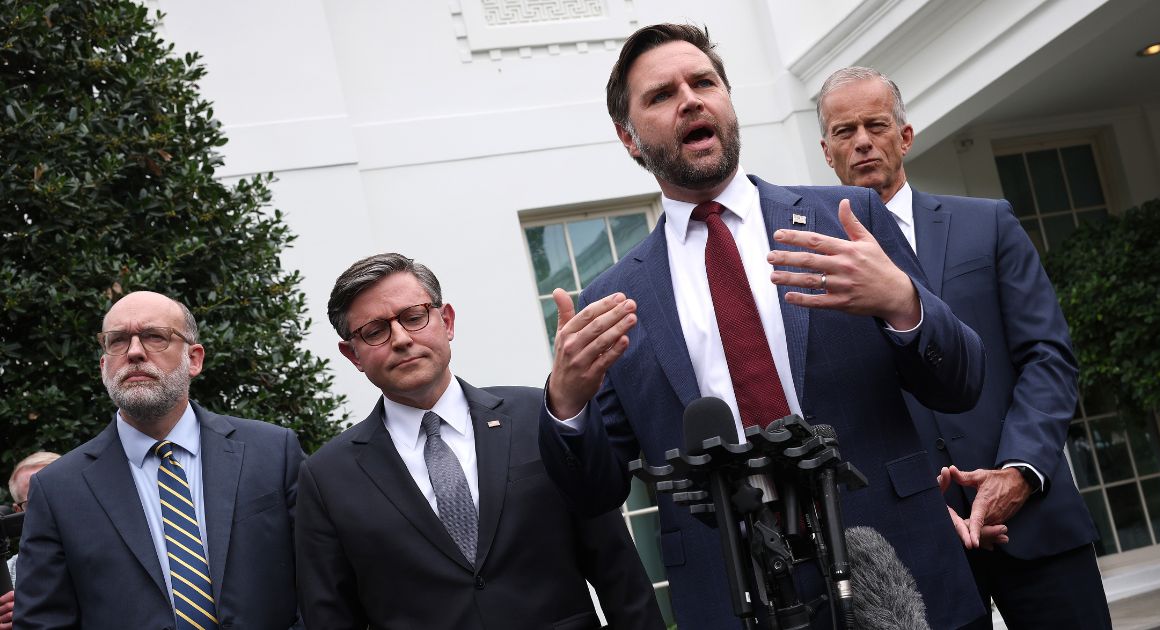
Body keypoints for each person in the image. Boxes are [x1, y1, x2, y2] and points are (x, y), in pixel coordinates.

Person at [538, 23, 988, 630]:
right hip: (730, 593)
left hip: (897, 567)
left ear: (728, 100)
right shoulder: (613, 302)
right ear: (629, 138)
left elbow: (961, 385)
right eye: (662, 95)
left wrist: (904, 304)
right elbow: (594, 492)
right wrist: (566, 406)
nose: (690, 100)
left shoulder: (848, 221)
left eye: (704, 82)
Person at [816, 66, 1110, 628]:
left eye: (876, 125)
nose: (862, 141)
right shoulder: (818, 265)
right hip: (920, 548)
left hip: (1037, 520)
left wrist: (1018, 471)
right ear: (827, 152)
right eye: (844, 131)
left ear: (905, 136)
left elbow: (1047, 355)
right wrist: (918, 505)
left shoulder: (989, 223)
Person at [294, 253, 663, 630]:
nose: (401, 339)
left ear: (447, 321)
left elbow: (619, 573)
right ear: (352, 354)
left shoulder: (542, 416)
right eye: (375, 331)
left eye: (414, 317)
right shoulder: (327, 479)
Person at [15, 291, 305, 630]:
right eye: (117, 341)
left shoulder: (272, 452)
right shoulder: (58, 489)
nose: (134, 352)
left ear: (194, 359)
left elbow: (321, 583)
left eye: (155, 336)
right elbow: (42, 622)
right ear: (103, 366)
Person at [2, 453, 60, 630]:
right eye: (36, 502)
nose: (53, 510)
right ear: (17, 511)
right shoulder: (7, 574)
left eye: (60, 498)